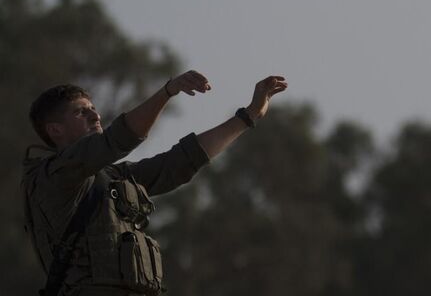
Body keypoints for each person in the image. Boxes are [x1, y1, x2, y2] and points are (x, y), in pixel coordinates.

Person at [22, 70, 288, 295]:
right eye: (81, 113)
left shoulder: (111, 178)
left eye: (93, 108)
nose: (95, 116)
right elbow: (120, 139)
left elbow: (180, 162)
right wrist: (167, 91)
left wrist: (248, 116)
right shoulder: (52, 178)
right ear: (55, 130)